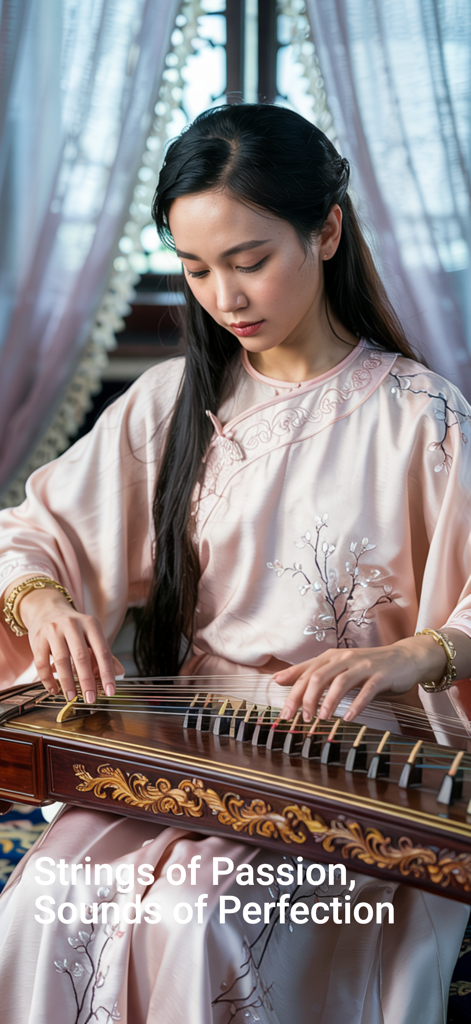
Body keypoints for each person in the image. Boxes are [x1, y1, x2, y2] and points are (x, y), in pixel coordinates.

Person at [0, 103, 470, 1024]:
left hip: (353, 762)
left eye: (250, 260)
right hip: (189, 746)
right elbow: (35, 529)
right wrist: (44, 600)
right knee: (47, 904)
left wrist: (413, 654)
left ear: (325, 230)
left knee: (199, 917)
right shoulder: (174, 400)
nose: (226, 296)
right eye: (195, 269)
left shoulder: (423, 416)